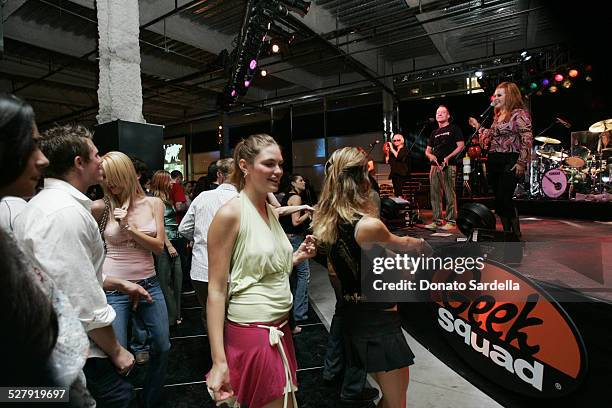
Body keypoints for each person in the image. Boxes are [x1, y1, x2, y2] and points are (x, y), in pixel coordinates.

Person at [15, 124, 149, 407]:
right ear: (79, 162)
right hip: (76, 352)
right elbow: (77, 297)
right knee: (120, 399)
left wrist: (119, 283)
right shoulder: (64, 213)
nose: (102, 160)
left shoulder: (53, 204)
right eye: (96, 154)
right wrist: (116, 351)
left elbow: (63, 274)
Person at [312, 147, 432, 408]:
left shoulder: (328, 220)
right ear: (362, 178)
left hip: (355, 317)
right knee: (396, 402)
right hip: (379, 324)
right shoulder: (367, 226)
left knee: (391, 400)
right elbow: (403, 250)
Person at [206, 134, 316, 408]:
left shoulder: (267, 210)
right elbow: (217, 291)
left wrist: (296, 257)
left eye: (279, 163)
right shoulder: (230, 214)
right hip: (255, 334)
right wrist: (219, 361)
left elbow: (258, 271)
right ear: (244, 166)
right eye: (269, 163)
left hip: (279, 328)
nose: (278, 170)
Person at [92, 151, 170, 408]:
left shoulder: (153, 204)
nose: (110, 184)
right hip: (115, 288)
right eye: (105, 178)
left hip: (149, 282)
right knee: (118, 351)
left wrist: (128, 227)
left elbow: (158, 247)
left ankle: (150, 399)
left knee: (162, 345)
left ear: (127, 174)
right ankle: (123, 401)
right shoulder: (100, 207)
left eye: (114, 178)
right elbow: (91, 252)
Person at [178, 158, 238, 331]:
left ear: (219, 175)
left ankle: (216, 353)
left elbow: (184, 228)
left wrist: (199, 239)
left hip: (202, 269)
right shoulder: (243, 199)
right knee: (235, 316)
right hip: (234, 269)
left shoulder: (203, 197)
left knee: (209, 314)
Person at [469, 82, 533, 238]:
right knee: (498, 200)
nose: (495, 98)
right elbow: (489, 136)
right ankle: (506, 233)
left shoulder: (519, 114)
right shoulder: (496, 116)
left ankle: (516, 233)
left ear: (509, 95)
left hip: (510, 158)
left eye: (500, 95)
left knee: (505, 197)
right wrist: (478, 127)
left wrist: (521, 162)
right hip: (494, 159)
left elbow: (527, 138)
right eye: (495, 95)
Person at [149, 170, 183, 327]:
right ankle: (169, 319)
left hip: (174, 242)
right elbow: (158, 227)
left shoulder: (165, 199)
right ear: (162, 182)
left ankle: (176, 315)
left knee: (177, 280)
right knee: (165, 282)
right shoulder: (155, 201)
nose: (172, 183)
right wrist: (168, 246)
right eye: (169, 180)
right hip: (164, 245)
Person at [280, 174, 313, 329]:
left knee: (292, 275)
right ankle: (300, 313)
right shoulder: (296, 199)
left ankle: (294, 311)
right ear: (293, 183)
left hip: (286, 238)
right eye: (300, 180)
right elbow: (296, 221)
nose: (304, 182)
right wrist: (309, 212)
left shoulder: (288, 196)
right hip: (294, 239)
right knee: (303, 274)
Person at [424, 105, 465, 230]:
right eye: (437, 113)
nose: (439, 114)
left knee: (449, 193)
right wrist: (430, 156)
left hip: (448, 165)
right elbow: (427, 151)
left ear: (448, 116)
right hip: (434, 167)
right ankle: (437, 220)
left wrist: (448, 157)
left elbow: (461, 145)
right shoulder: (434, 133)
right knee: (435, 194)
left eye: (442, 112)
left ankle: (451, 221)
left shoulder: (454, 128)